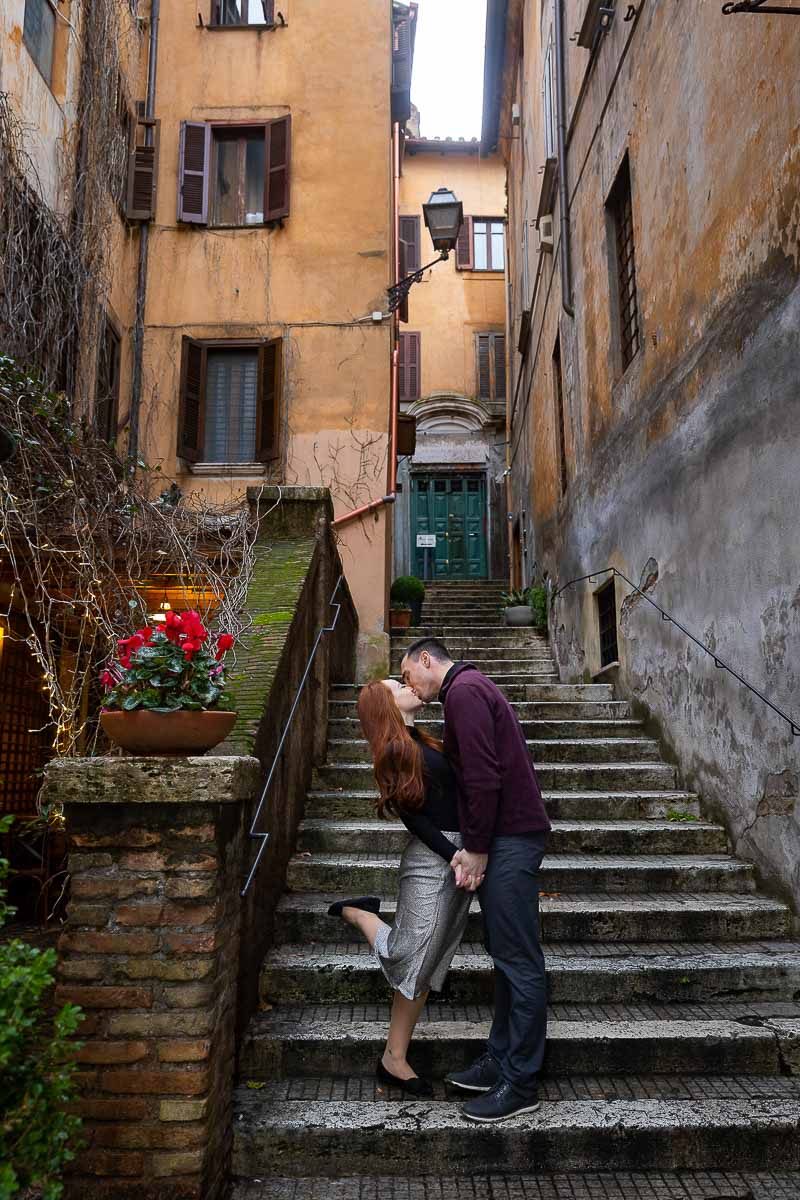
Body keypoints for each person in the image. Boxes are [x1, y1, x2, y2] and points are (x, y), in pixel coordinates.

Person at [401, 637, 551, 1123]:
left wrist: (478, 848)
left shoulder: (463, 692)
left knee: (519, 961)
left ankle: (520, 1082)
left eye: (408, 676)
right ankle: (500, 1059)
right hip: (507, 836)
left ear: (427, 659)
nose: (411, 688)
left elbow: (484, 778)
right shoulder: (468, 689)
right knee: (506, 956)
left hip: (508, 838)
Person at [327, 678, 474, 1097]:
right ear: (385, 704)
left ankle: (394, 1056)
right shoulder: (395, 750)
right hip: (433, 860)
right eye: (398, 684)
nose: (408, 684)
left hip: (458, 856)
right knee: (411, 952)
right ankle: (362, 914)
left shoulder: (422, 738)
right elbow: (415, 818)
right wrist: (453, 854)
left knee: (428, 962)